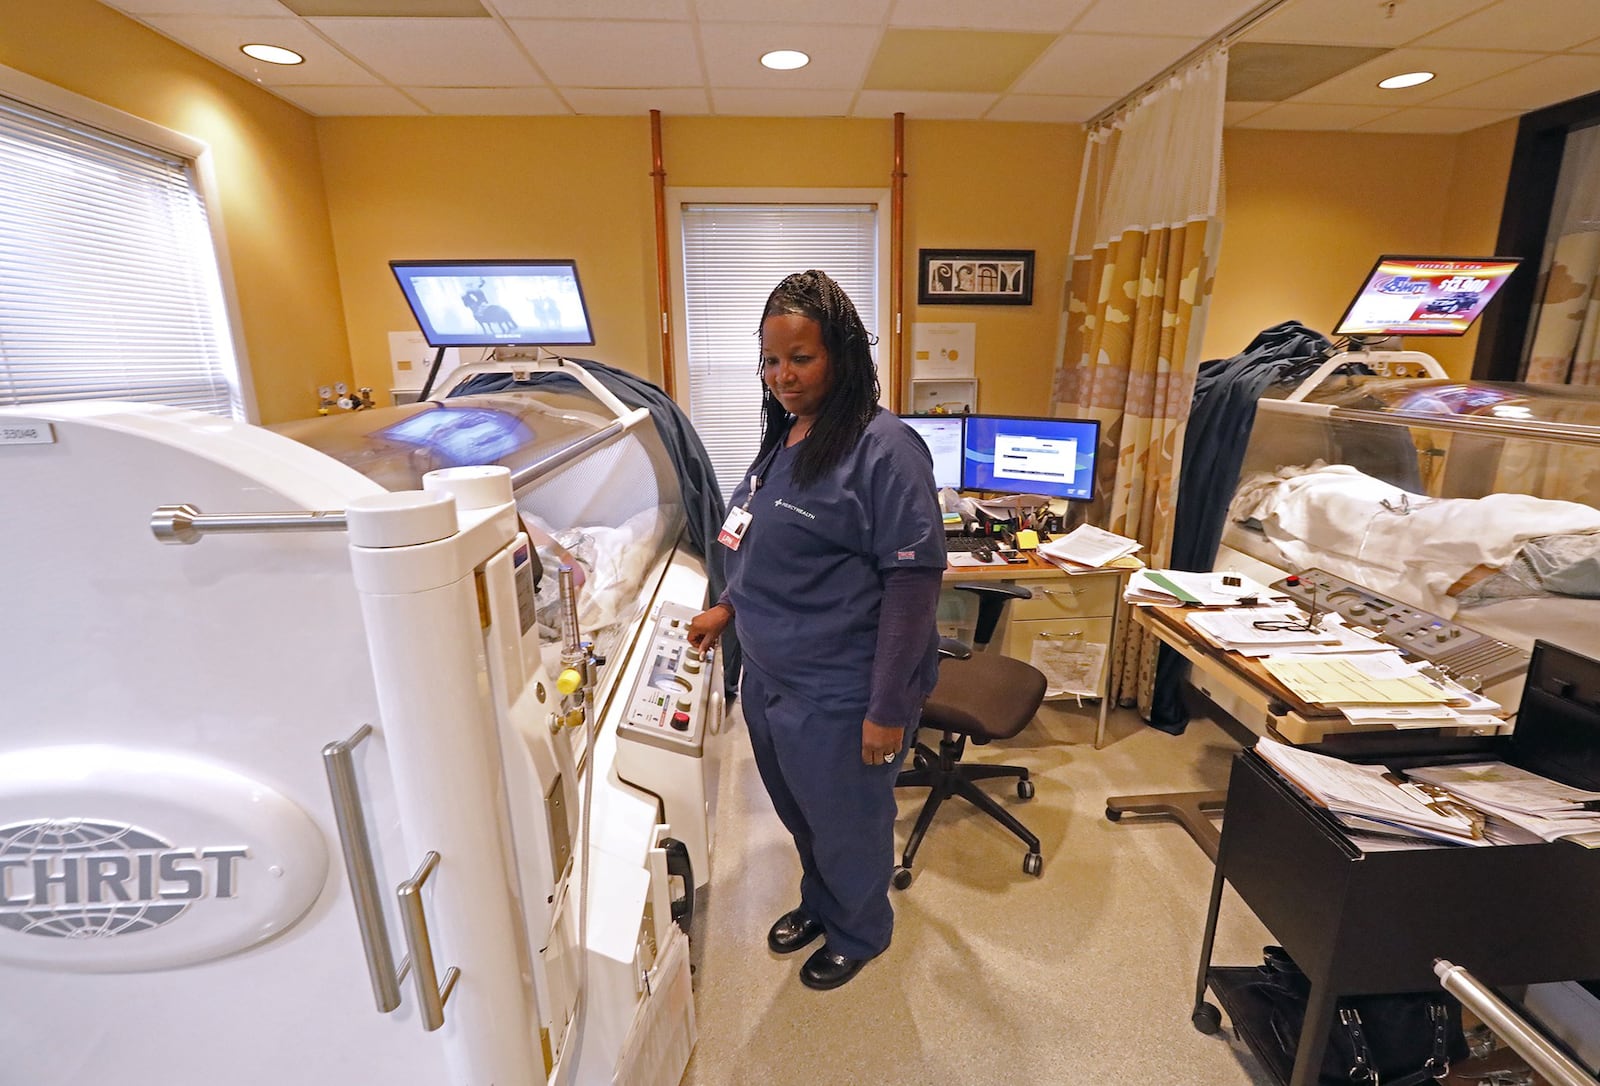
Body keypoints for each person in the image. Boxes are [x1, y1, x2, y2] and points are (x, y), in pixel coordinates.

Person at [686, 270, 945, 990]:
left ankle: (861, 930)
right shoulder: (787, 436)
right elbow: (765, 543)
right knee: (802, 814)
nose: (782, 376)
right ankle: (821, 902)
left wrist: (888, 709)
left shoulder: (884, 449)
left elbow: (913, 583)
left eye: (800, 358)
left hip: (841, 690)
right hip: (770, 679)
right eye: (771, 361)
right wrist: (728, 607)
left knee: (849, 822)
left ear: (843, 355)